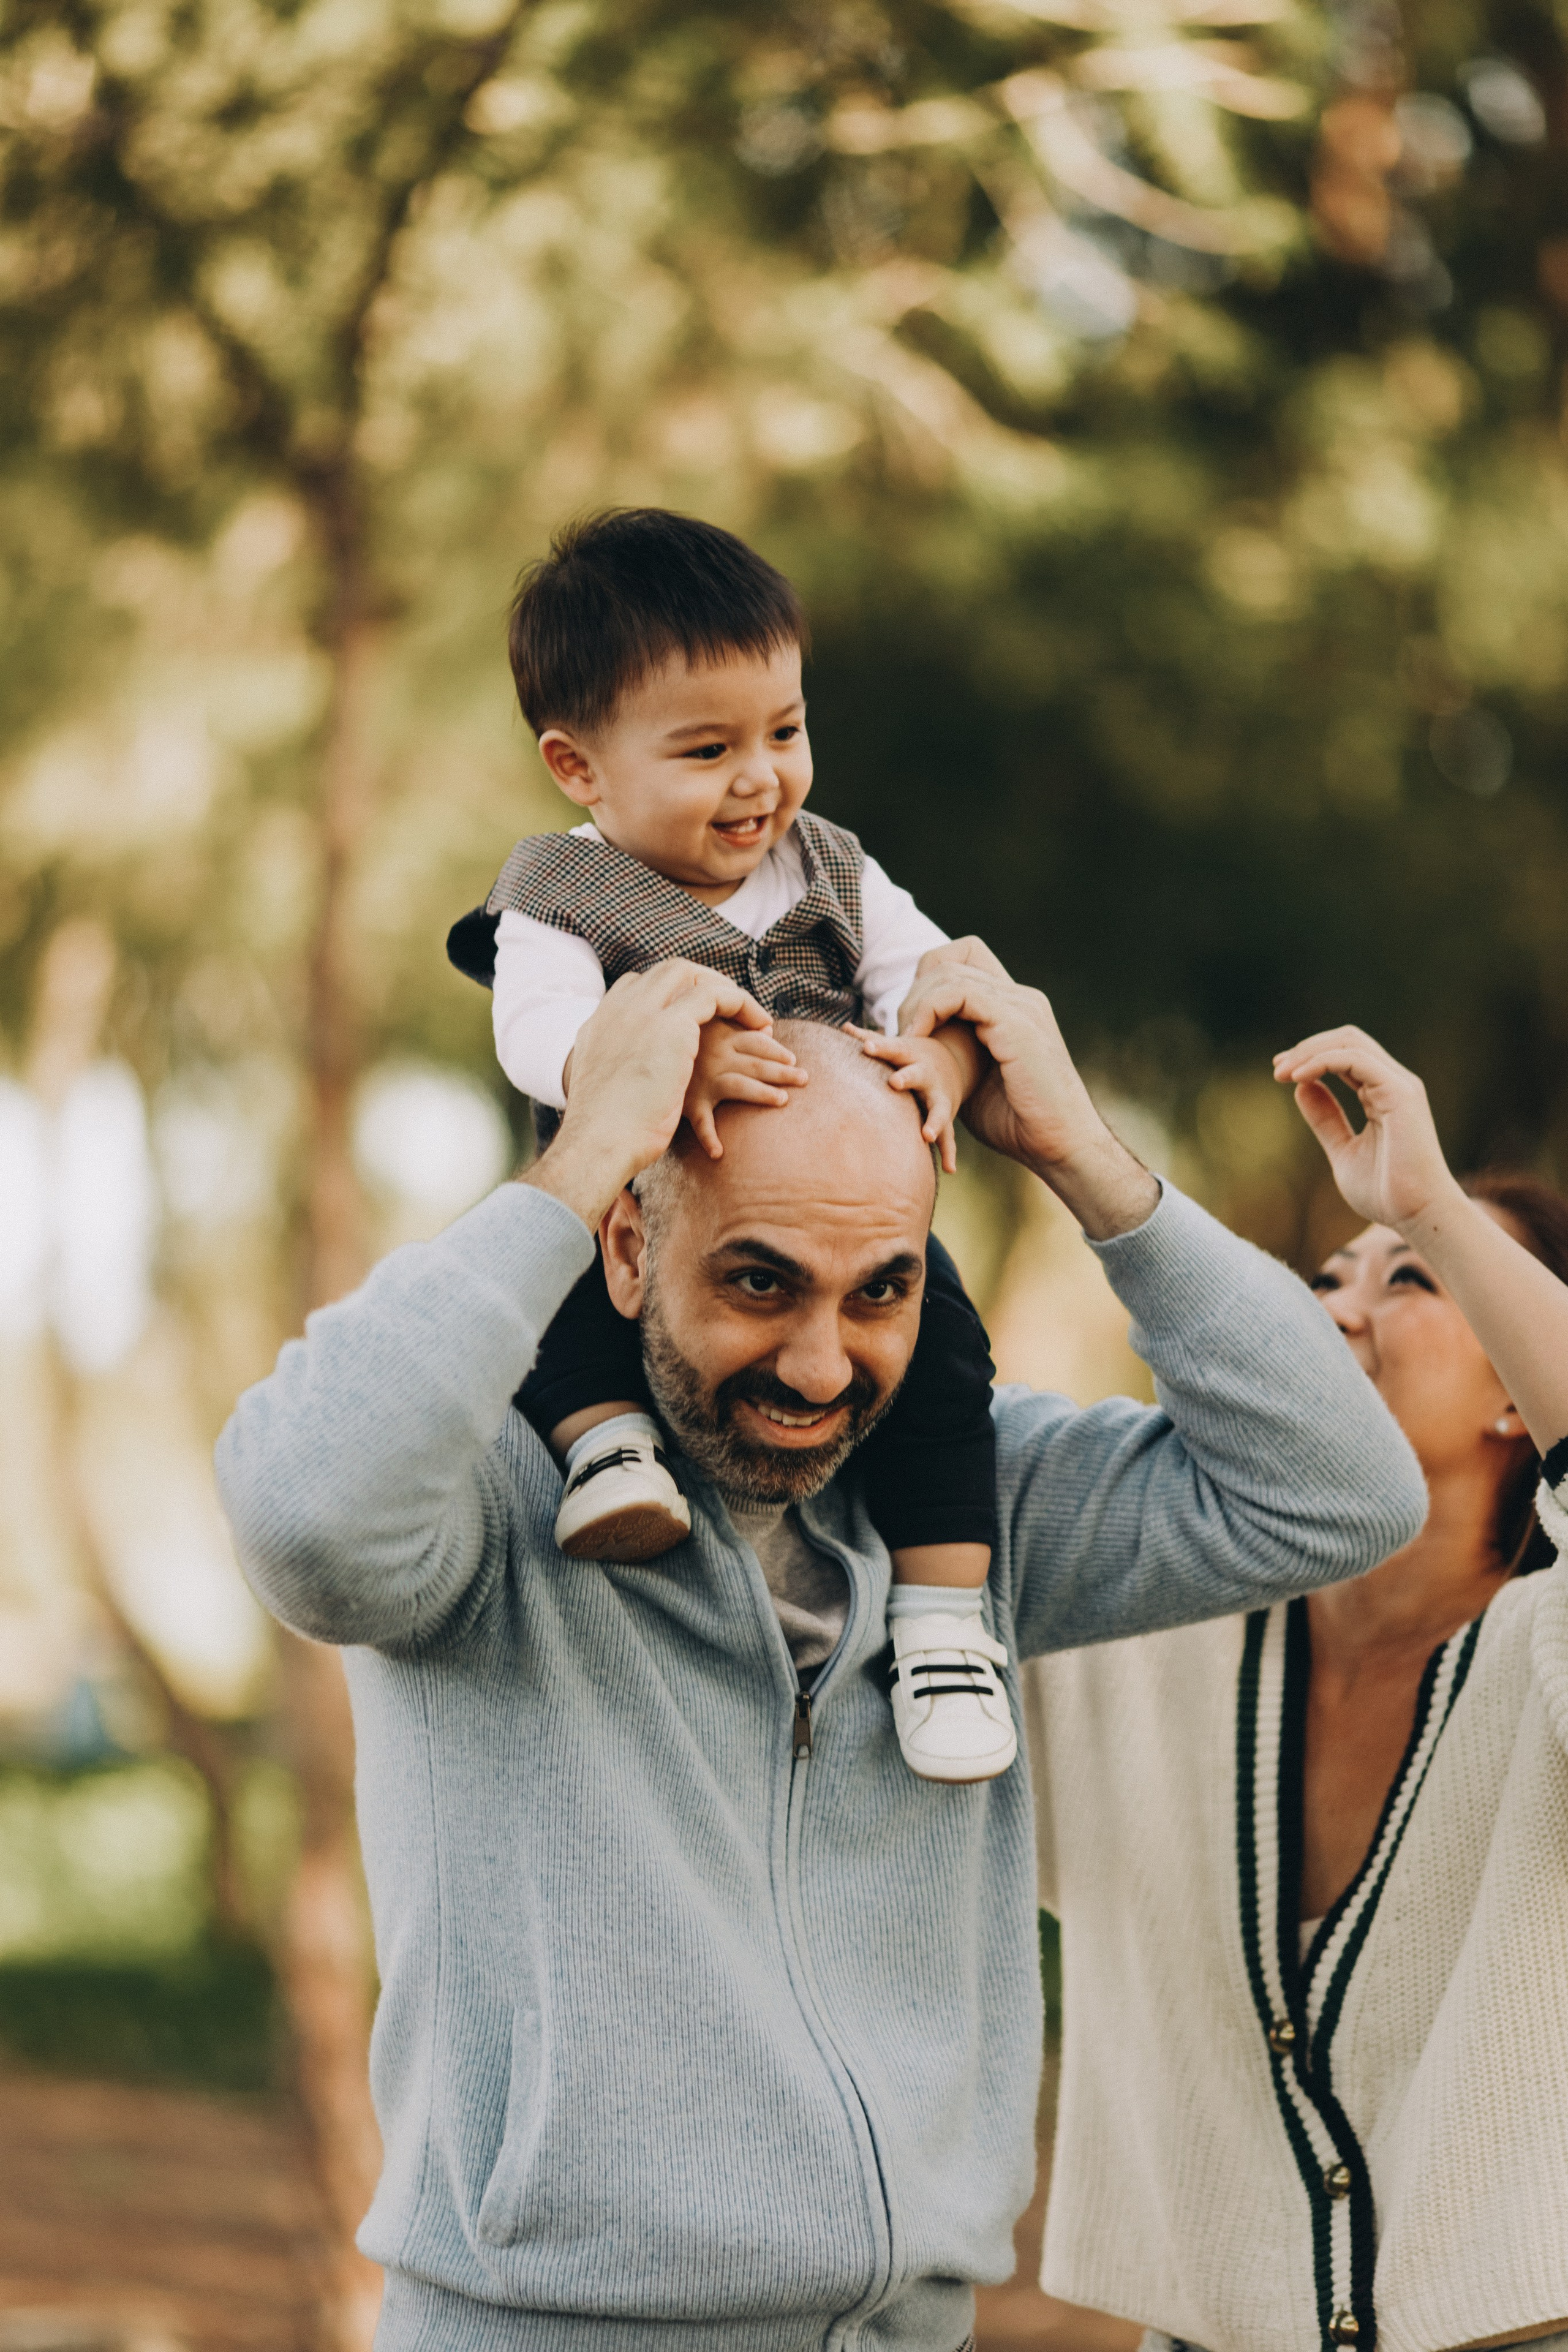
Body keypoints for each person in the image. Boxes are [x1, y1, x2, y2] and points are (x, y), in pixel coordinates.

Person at [215, 956, 1426, 2352]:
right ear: (624, 1247)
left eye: (880, 1292)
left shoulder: (973, 1512)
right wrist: (585, 1153)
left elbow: (1342, 1492)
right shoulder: (483, 1500)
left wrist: (1084, 1159)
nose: (818, 1365)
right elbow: (302, 1517)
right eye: (758, 1282)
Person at [1025, 1023, 1568, 2352]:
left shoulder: (1542, 1656)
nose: (1338, 1309)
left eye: (1411, 1280)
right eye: (1325, 1277)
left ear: (1518, 1393)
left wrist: (1434, 1207)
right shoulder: (1139, 1637)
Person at [445, 505, 1008, 1782]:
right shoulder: (555, 894)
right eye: (707, 750)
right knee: (555, 1299)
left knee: (943, 1362)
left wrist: (941, 1054)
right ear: (579, 767)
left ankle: (941, 1624)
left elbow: (935, 978)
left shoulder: (834, 869)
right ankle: (608, 1451)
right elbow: (533, 1036)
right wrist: (643, 1059)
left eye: (784, 732)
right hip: (641, 1208)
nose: (760, 779)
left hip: (835, 1214)